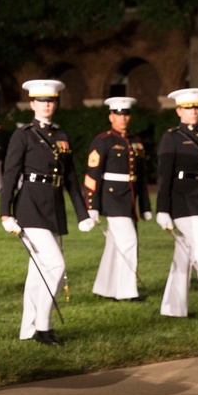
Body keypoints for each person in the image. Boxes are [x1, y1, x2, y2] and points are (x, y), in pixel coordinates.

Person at [0, 80, 94, 345]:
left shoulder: (61, 136)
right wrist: (5, 214)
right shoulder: (24, 135)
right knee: (55, 265)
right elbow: (10, 175)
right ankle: (43, 326)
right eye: (41, 101)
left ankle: (28, 329)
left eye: (51, 100)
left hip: (53, 208)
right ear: (32, 104)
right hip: (29, 207)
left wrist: (82, 213)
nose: (47, 105)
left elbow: (71, 178)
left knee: (38, 271)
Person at [156, 88, 198, 319]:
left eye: (196, 107)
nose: (193, 112)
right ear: (179, 111)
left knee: (184, 254)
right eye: (188, 108)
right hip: (182, 201)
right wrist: (162, 209)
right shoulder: (171, 137)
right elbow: (164, 176)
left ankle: (173, 308)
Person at [84, 96, 152, 301]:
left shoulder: (135, 143)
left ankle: (104, 288)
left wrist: (145, 206)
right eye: (118, 115)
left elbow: (141, 178)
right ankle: (126, 292)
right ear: (111, 116)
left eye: (126, 114)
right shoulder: (103, 141)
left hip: (129, 199)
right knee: (129, 241)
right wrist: (92, 205)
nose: (122, 119)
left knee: (115, 245)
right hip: (112, 199)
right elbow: (92, 174)